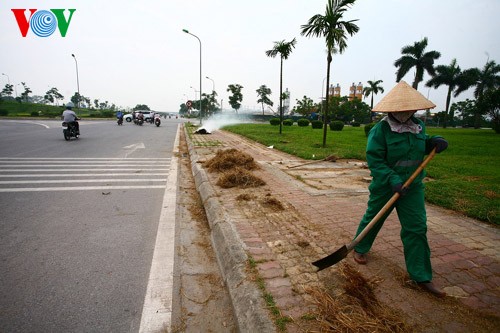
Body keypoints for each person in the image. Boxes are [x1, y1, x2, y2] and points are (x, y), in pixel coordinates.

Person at [352, 81, 448, 298]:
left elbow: (420, 146)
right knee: (375, 217)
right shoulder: (381, 130)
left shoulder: (419, 127)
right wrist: (392, 179)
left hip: (412, 187)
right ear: (393, 109)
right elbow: (375, 159)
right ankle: (360, 246)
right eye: (402, 109)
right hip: (387, 185)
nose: (407, 113)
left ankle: (421, 275)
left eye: (410, 109)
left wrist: (434, 141)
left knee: (416, 227)